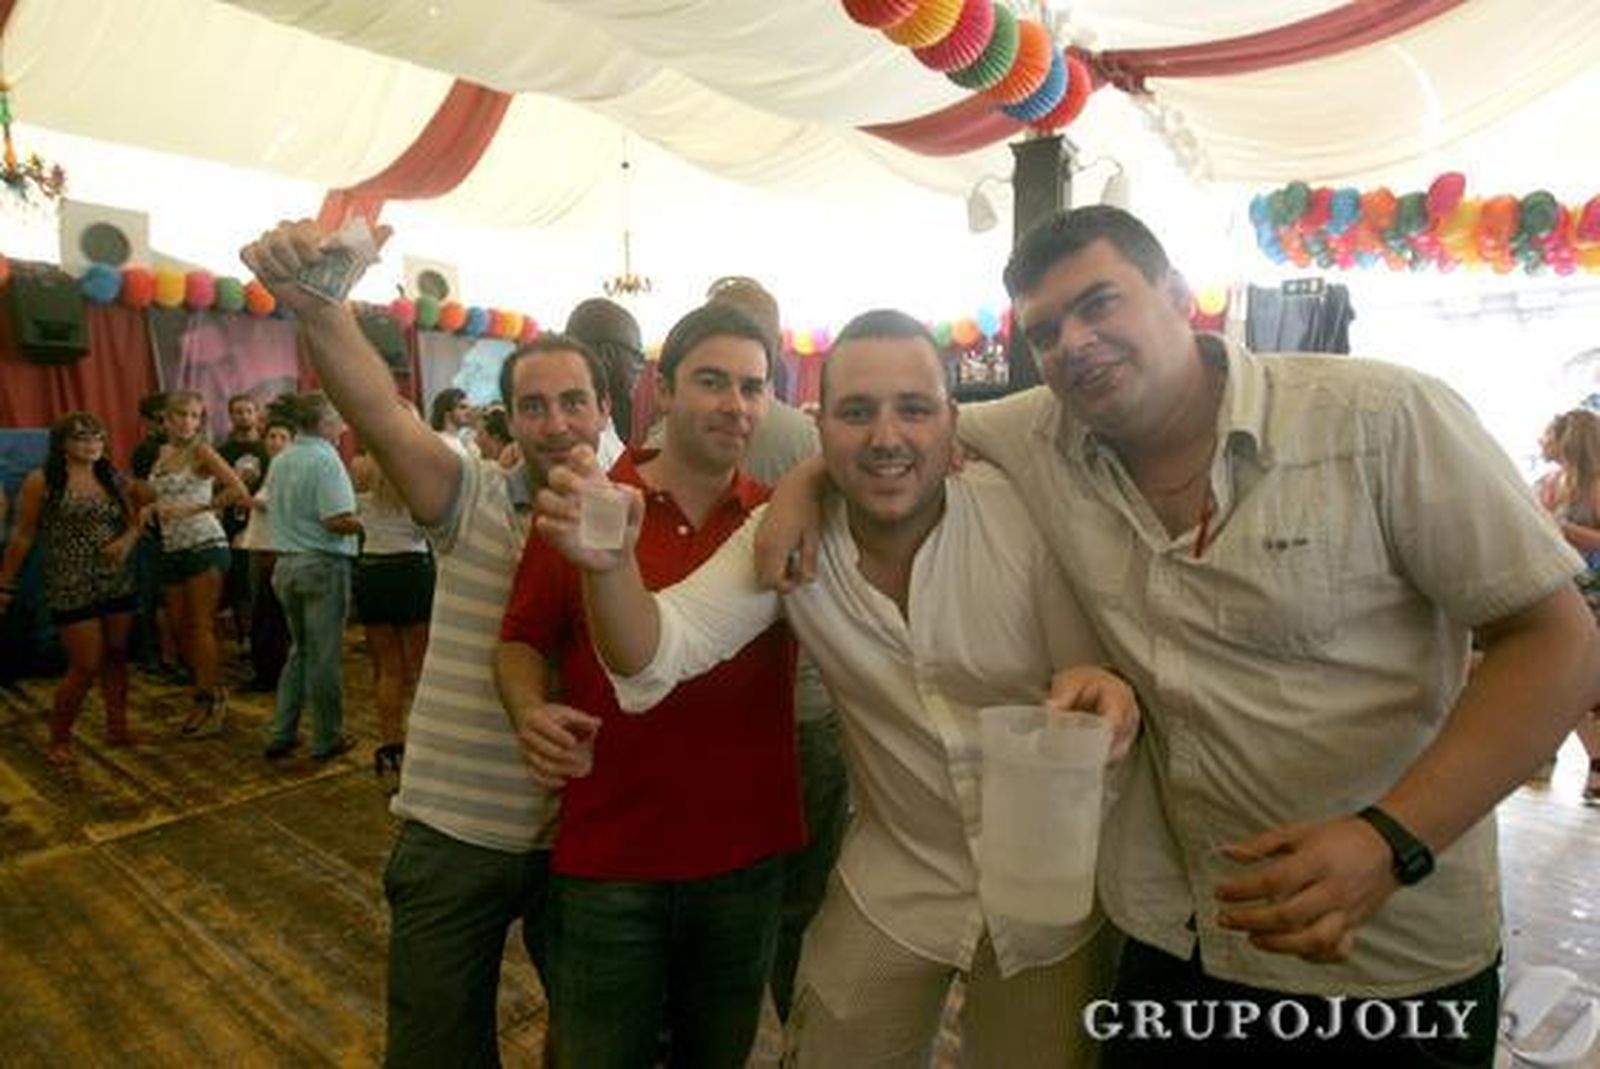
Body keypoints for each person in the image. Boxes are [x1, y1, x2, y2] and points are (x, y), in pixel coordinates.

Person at [758, 207, 1600, 1067]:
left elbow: (1560, 641)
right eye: (1046, 331)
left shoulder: (1377, 419)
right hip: (1174, 939)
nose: (1074, 343)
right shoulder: (1042, 431)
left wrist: (1392, 838)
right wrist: (801, 481)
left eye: (1099, 304)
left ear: (1176, 294)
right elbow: (897, 437)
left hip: (1382, 956)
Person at [529, 309, 1133, 1067]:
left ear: (954, 423)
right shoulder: (783, 543)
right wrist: (610, 565)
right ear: (820, 424)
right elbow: (653, 660)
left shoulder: (1018, 515)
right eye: (857, 412)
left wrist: (1099, 689)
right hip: (898, 873)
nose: (886, 436)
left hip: (1052, 885)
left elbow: (1086, 671)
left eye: (914, 409)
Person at [240, 217, 599, 1068]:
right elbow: (381, 414)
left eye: (573, 400)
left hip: (581, 834)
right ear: (508, 420)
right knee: (436, 1047)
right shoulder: (469, 496)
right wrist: (320, 311)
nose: (554, 422)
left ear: (605, 407)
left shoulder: (630, 519)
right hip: (453, 830)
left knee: (591, 1044)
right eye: (534, 405)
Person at [495, 302, 803, 1069]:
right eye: (712, 381)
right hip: (612, 852)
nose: (735, 404)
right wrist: (528, 708)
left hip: (744, 852)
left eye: (752, 387)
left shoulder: (779, 517)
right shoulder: (592, 499)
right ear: (662, 390)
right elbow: (521, 640)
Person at [700, 274, 842, 1022]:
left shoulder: (689, 430)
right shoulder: (806, 435)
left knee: (725, 899)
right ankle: (799, 1035)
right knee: (802, 906)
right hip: (803, 701)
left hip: (719, 703)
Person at [0, 413, 142, 765]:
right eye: (81, 438)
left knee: (117, 655)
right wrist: (4, 583)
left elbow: (136, 519)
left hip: (115, 579)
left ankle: (117, 727)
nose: (91, 444)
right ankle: (59, 738)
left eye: (97, 437)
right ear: (62, 443)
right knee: (85, 664)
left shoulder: (110, 476)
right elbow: (22, 534)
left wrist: (125, 542)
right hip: (70, 581)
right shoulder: (42, 479)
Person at [138, 389, 250, 736]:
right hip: (172, 547)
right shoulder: (161, 453)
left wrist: (197, 507)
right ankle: (207, 691)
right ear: (166, 419)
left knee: (200, 625)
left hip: (205, 542)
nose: (188, 422)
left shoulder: (201, 451)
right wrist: (149, 507)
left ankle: (208, 699)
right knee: (178, 625)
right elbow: (160, 497)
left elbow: (237, 489)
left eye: (195, 416)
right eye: (181, 415)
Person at [261, 391, 362, 762]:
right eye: (338, 418)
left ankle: (281, 732)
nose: (344, 425)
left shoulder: (282, 459)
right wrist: (367, 520)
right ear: (323, 423)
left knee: (300, 653)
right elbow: (336, 520)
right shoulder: (325, 460)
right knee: (323, 657)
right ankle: (327, 737)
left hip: (286, 565)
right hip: (321, 565)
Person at [351, 446, 435, 786]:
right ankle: (428, 748)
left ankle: (391, 748)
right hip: (411, 568)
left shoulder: (358, 467)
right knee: (420, 668)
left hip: (372, 568)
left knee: (387, 668)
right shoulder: (411, 469)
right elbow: (426, 527)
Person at [1542, 408, 1600, 803]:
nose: (1539, 440)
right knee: (1567, 681)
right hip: (1565, 592)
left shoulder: (1595, 487)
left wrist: (1561, 529)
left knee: (1579, 681)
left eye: (1546, 434)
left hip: (1592, 592)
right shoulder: (1551, 482)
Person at [236, 413, 294, 691]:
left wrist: (249, 501)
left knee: (274, 616)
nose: (276, 441)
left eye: (283, 437)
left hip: (277, 549)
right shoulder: (266, 468)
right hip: (260, 547)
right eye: (272, 436)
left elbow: (284, 505)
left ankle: (276, 675)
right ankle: (267, 673)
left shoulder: (290, 468)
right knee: (263, 615)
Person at [564, 297, 641, 456]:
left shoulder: (602, 418)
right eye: (637, 356)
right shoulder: (570, 435)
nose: (640, 367)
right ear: (608, 355)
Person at [429, 387, 477, 456]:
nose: (469, 412)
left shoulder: (460, 441)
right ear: (447, 413)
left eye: (469, 408)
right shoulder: (439, 442)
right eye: (462, 407)